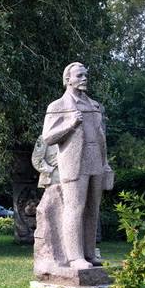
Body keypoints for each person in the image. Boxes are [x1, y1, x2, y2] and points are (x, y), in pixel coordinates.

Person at [41, 62, 113, 270]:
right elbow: (48, 137)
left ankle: (90, 253)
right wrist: (70, 123)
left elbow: (102, 138)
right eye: (79, 75)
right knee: (74, 208)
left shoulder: (95, 106)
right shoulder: (57, 107)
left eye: (85, 75)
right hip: (74, 163)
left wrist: (106, 163)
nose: (84, 78)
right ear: (68, 79)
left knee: (93, 209)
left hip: (96, 161)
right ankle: (74, 257)